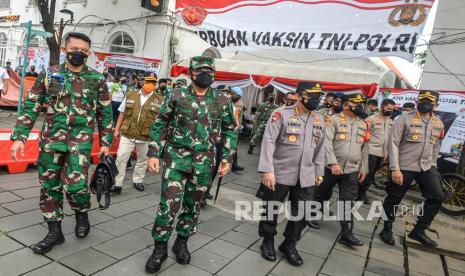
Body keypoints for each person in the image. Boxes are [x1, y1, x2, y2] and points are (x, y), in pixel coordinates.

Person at [10, 32, 113, 254]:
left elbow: (105, 112)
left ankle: (81, 213)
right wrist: (19, 137)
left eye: (84, 51)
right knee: (49, 187)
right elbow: (31, 105)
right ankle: (54, 232)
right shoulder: (50, 75)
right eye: (75, 49)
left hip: (80, 143)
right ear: (66, 49)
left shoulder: (97, 79)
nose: (79, 53)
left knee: (76, 186)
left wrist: (106, 141)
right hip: (51, 141)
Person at [145, 56, 238, 273]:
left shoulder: (223, 100)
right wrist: (152, 154)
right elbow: (160, 123)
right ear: (191, 73)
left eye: (210, 70)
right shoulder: (176, 94)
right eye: (201, 70)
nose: (206, 74)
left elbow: (230, 130)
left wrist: (227, 158)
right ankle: (160, 248)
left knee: (193, 205)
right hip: (176, 160)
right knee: (168, 205)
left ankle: (182, 242)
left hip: (205, 163)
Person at [258, 82, 325, 266]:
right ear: (300, 95)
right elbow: (268, 141)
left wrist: (319, 171)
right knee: (271, 208)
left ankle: (289, 244)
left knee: (302, 212)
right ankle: (268, 240)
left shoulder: (319, 119)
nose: (316, 99)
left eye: (319, 95)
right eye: (312, 95)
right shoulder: (282, 114)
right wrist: (267, 170)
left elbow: (320, 148)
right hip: (280, 171)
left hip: (307, 174)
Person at [379, 90, 445, 247]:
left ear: (436, 104)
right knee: (393, 198)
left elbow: (436, 145)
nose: (425, 104)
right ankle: (386, 228)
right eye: (422, 101)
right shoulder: (403, 119)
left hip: (426, 166)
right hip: (404, 165)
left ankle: (419, 230)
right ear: (417, 101)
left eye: (430, 102)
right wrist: (395, 168)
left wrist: (433, 165)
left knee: (437, 196)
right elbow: (393, 143)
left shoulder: (439, 123)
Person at [315, 93, 369, 247]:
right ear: (346, 105)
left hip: (351, 170)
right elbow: (326, 143)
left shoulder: (363, 124)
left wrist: (364, 168)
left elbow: (365, 148)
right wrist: (333, 163)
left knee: (347, 201)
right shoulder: (334, 120)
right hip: (331, 168)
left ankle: (347, 232)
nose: (360, 106)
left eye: (361, 103)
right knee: (321, 193)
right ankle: (311, 215)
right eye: (356, 103)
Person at [111, 74, 163, 194]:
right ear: (142, 83)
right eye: (147, 82)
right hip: (127, 133)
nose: (149, 85)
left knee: (142, 160)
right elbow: (122, 113)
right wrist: (117, 129)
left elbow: (160, 121)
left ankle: (138, 180)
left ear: (155, 86)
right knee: (121, 158)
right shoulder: (131, 94)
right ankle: (117, 184)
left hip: (145, 135)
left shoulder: (159, 100)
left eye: (152, 83)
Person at [357, 99, 396, 204]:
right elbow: (363, 135)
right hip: (370, 151)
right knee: (367, 173)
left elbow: (389, 138)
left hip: (382, 153)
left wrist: (387, 152)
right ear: (382, 107)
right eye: (388, 109)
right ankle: (360, 193)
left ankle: (361, 191)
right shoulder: (371, 119)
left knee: (372, 174)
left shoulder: (390, 121)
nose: (390, 111)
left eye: (392, 109)